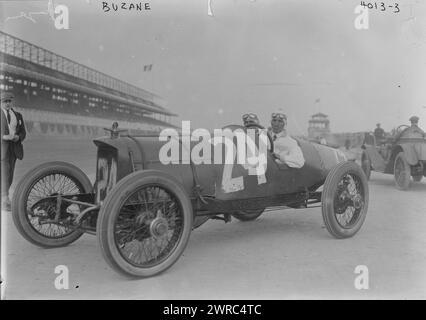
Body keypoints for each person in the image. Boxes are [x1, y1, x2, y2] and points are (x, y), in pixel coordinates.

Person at [1, 92, 26, 211]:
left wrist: (18, 137)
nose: (7, 103)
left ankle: (4, 197)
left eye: (9, 101)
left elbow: (23, 133)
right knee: (4, 173)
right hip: (2, 147)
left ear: (12, 102)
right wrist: (4, 137)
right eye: (5, 101)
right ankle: (5, 199)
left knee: (10, 175)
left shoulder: (18, 115)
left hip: (14, 148)